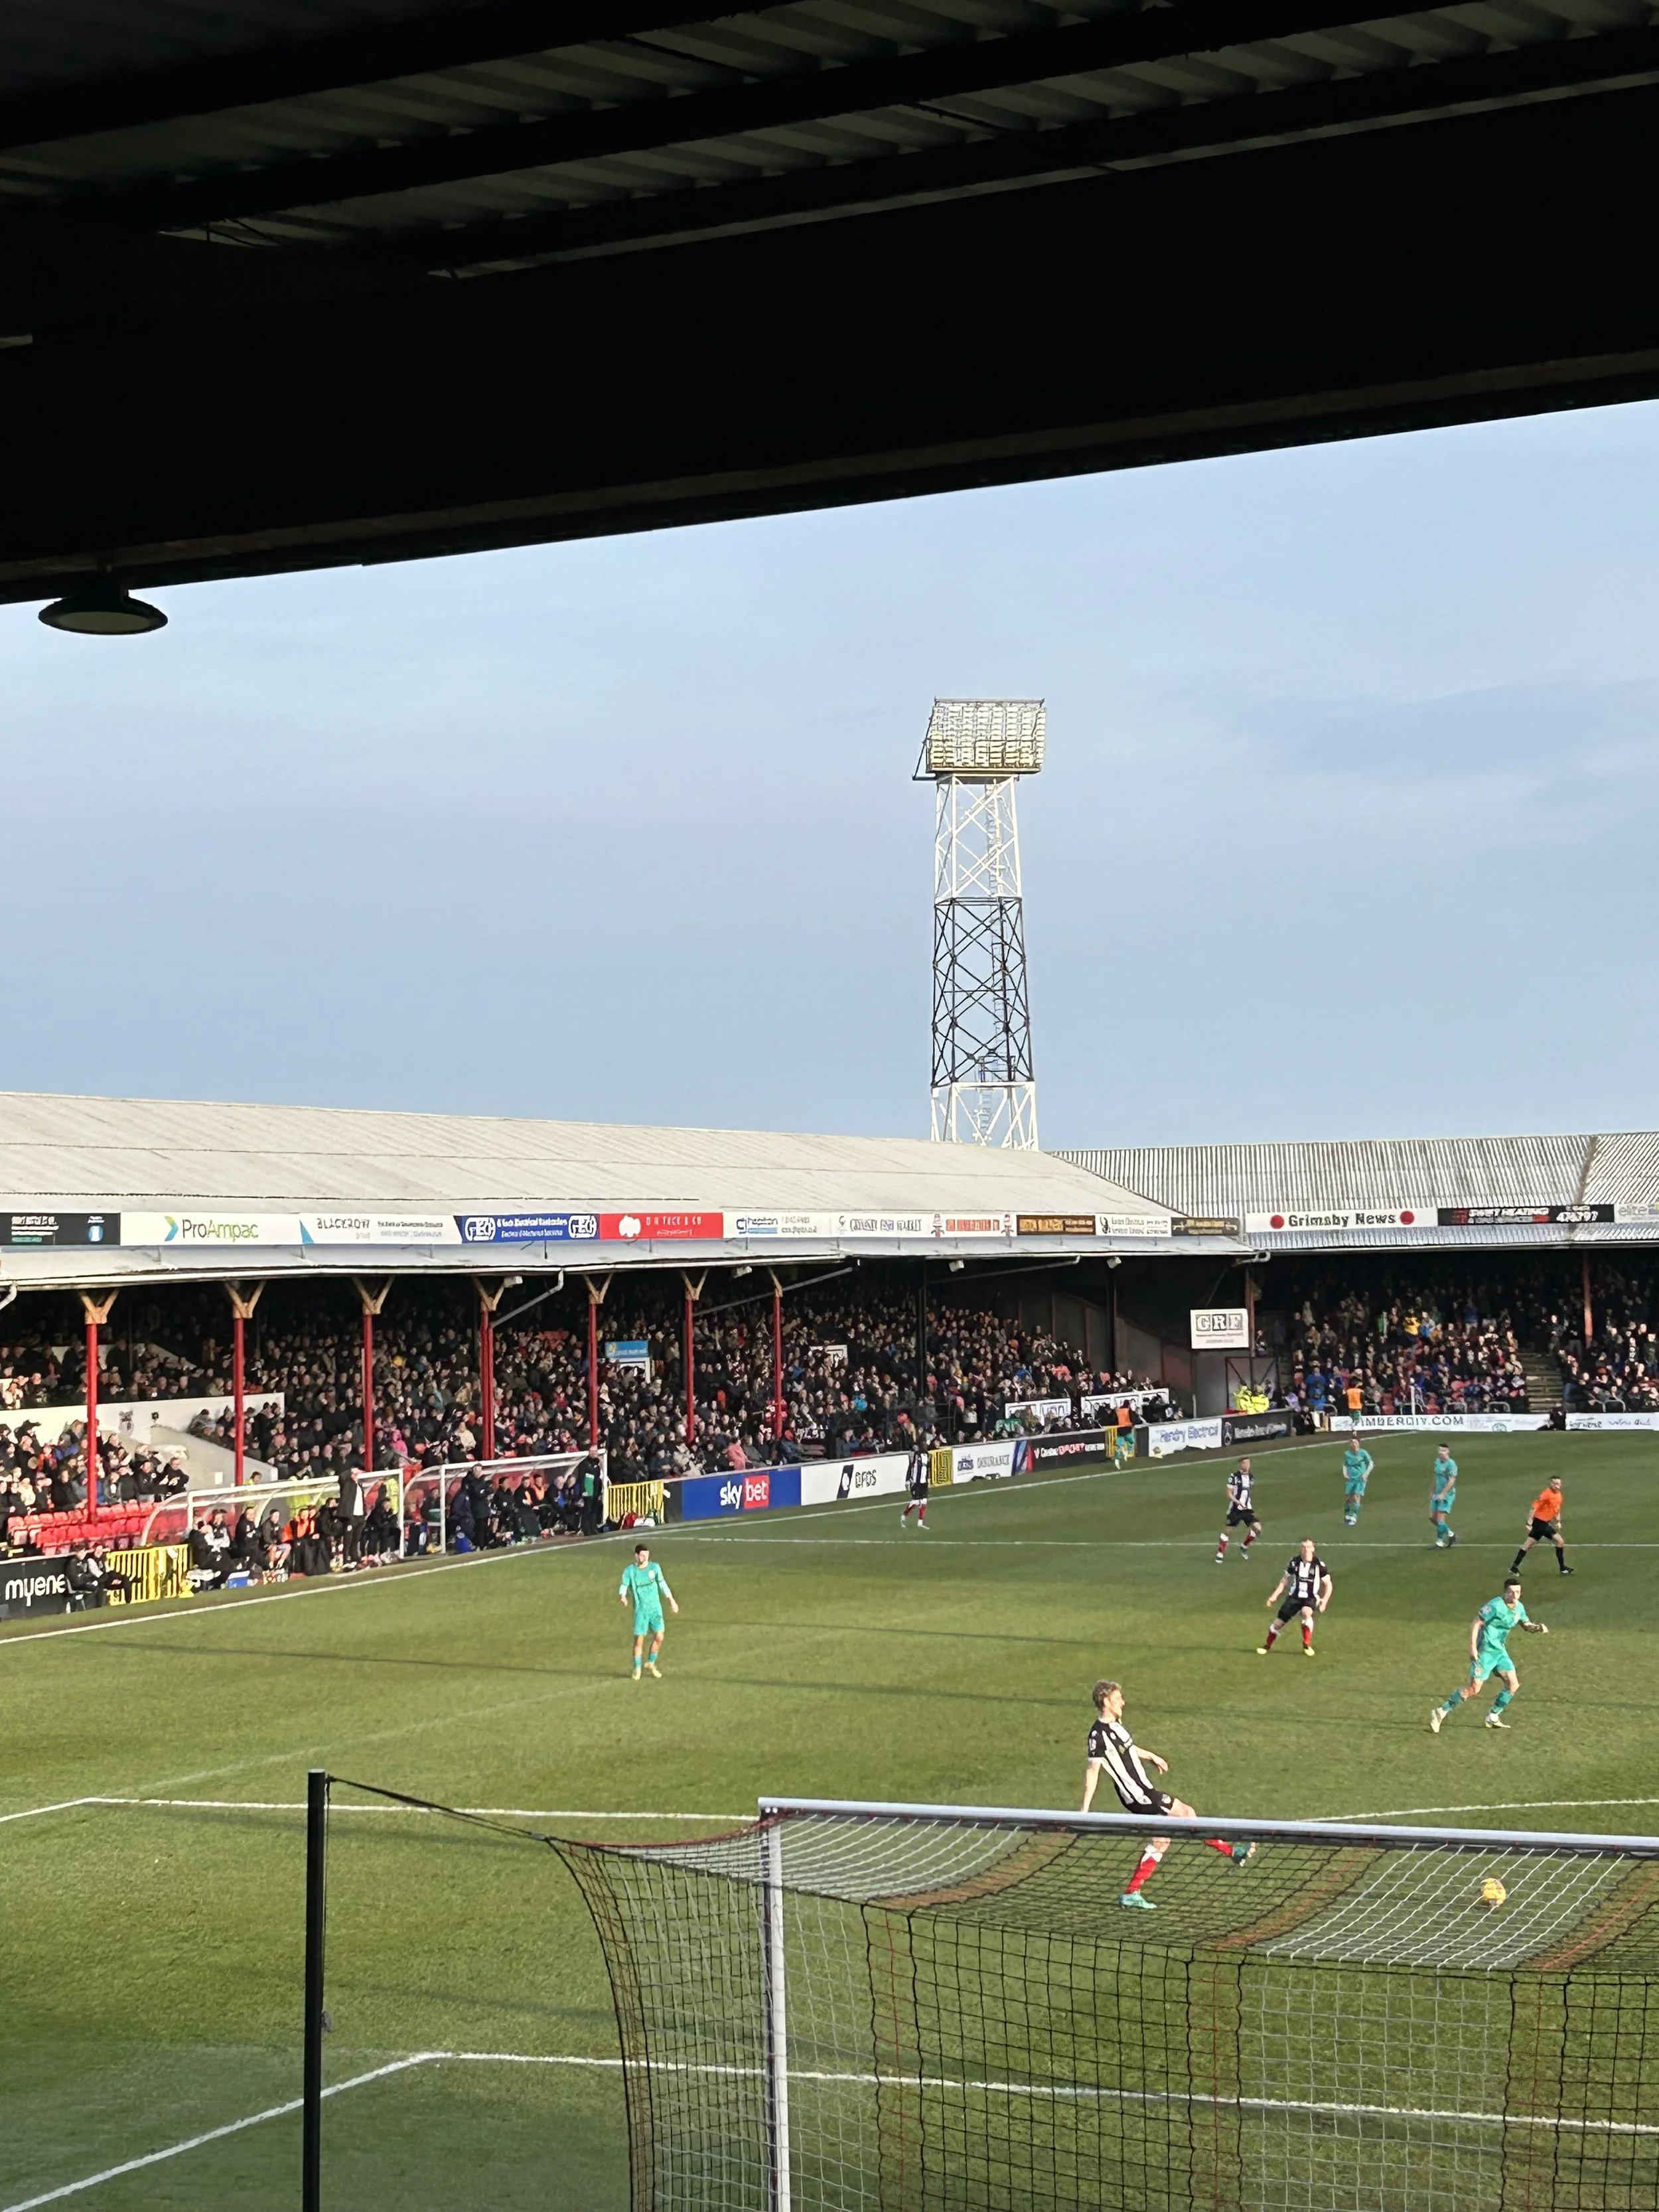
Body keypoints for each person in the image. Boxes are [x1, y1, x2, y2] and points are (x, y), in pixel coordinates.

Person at [1081, 1681, 1255, 1908]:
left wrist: (1153, 1756)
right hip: (1139, 1796)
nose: (1123, 1702)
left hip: (1142, 1791)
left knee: (1162, 1840)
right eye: (1118, 1699)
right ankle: (1232, 1852)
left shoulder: (1116, 1725)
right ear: (1106, 1702)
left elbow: (1129, 1748)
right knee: (1186, 1814)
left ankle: (1132, 1893)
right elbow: (1093, 1771)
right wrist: (1084, 1810)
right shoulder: (1098, 1735)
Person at [1430, 1576, 1549, 1732]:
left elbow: (1526, 1625)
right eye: (1511, 1592)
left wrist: (1538, 1628)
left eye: (1518, 1592)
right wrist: (1472, 1647)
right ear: (1505, 1593)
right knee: (1474, 1689)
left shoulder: (1519, 1608)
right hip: (1485, 1652)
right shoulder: (1495, 1606)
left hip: (1500, 1652)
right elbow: (1477, 1622)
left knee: (1513, 1684)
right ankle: (1441, 1711)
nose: (1515, 1596)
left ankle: (1493, 1716)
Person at [1259, 1538, 1332, 1657]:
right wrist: (1274, 1596)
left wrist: (1324, 1601)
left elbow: (1328, 1584)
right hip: (1294, 1597)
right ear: (1301, 1549)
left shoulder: (1319, 1565)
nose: (1306, 1549)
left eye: (1309, 1547)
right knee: (1278, 1624)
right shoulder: (1295, 1562)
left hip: (1310, 1598)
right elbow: (1284, 1581)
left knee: (1306, 1613)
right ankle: (1267, 1646)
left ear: (1313, 1549)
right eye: (1304, 1547)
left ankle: (1307, 1644)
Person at [618, 1540, 678, 1680]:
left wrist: (672, 1601)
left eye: (647, 1555)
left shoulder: (655, 1568)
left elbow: (663, 1584)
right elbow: (624, 1585)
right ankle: (637, 1668)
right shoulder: (630, 1571)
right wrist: (623, 1596)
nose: (644, 1558)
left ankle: (651, 1663)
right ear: (636, 1556)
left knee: (660, 1637)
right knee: (639, 1641)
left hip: (655, 1609)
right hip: (641, 1611)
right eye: (642, 1555)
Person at [1510, 1477, 1573, 1577]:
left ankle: (1514, 1568)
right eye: (1555, 1483)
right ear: (1551, 1484)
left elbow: (1556, 1509)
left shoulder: (1559, 1495)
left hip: (1544, 1522)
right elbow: (1534, 1507)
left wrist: (1558, 1521)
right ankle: (1563, 1568)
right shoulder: (1546, 1494)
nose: (1557, 1485)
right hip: (1540, 1522)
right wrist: (1529, 1523)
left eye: (1559, 1483)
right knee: (1560, 1541)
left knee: (1528, 1544)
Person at [1215, 1459, 1260, 1564]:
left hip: (1247, 1509)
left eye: (1248, 1463)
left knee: (1257, 1529)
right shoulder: (1234, 1477)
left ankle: (1244, 1546)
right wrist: (1237, 1501)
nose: (1247, 1465)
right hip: (1235, 1509)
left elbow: (1247, 1493)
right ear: (1240, 1464)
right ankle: (1220, 1553)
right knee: (1228, 1532)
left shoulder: (1251, 1477)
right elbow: (1229, 1493)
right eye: (1244, 1463)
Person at [1429, 1445, 1458, 1549]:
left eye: (1443, 1451)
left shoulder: (1451, 1464)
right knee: (1433, 1518)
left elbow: (1451, 1481)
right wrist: (1432, 1490)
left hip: (1447, 1495)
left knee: (1440, 1519)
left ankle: (1439, 1542)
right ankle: (1451, 1534)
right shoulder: (1437, 1462)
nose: (1441, 1452)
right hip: (1437, 1493)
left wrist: (1443, 1494)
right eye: (1440, 1450)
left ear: (1448, 1452)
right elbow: (1435, 1476)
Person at [1341, 1439, 1374, 1526]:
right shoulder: (1347, 1454)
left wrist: (1366, 1474)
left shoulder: (1363, 1453)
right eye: (1352, 1442)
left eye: (1355, 1442)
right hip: (1351, 1479)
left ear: (1359, 1444)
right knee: (1348, 1498)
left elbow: (1371, 1463)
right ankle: (1347, 1515)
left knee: (1356, 1497)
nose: (1354, 1444)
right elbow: (1345, 1464)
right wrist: (1345, 1473)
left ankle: (1354, 1517)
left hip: (1360, 1479)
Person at [900, 1445, 930, 1529]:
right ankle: (904, 1515)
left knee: (924, 1501)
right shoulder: (915, 1456)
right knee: (916, 1502)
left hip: (924, 1482)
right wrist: (908, 1480)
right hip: (916, 1482)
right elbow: (911, 1467)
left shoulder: (927, 1455)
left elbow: (927, 1468)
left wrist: (928, 1479)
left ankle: (920, 1522)